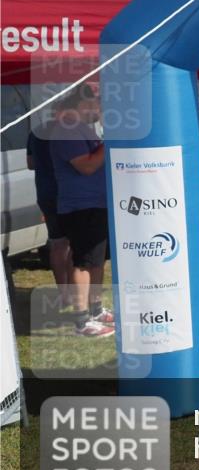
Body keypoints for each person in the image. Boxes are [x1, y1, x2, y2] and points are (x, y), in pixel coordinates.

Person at [49, 85, 114, 337]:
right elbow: (86, 166)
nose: (100, 109)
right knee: (84, 262)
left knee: (96, 261)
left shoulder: (82, 128)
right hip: (81, 206)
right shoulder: (66, 129)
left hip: (95, 204)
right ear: (84, 104)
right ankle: (82, 320)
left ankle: (95, 310)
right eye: (98, 103)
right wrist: (110, 142)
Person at [26, 118, 72, 296]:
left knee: (57, 243)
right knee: (74, 244)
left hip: (46, 194)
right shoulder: (71, 131)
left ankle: (64, 292)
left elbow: (30, 164)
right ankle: (76, 292)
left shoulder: (36, 131)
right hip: (70, 194)